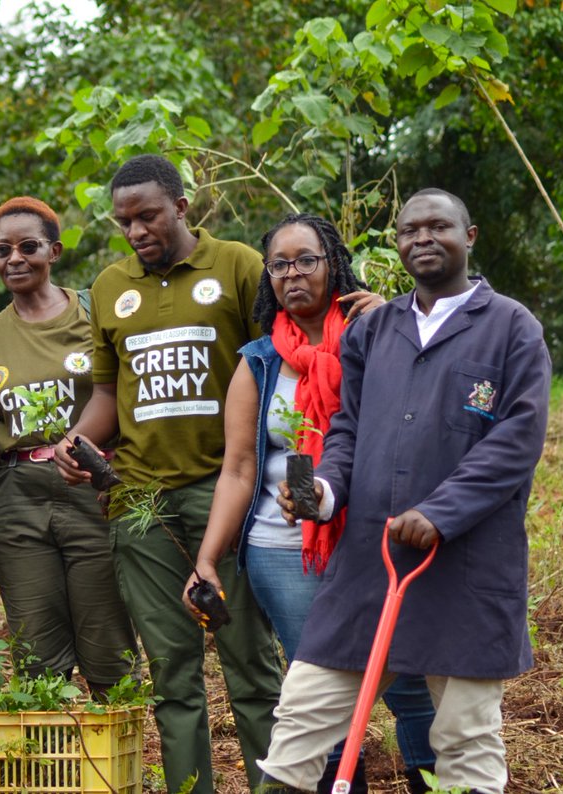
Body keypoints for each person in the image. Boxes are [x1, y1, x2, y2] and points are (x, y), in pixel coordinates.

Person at [257, 189, 551, 794]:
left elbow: (516, 443)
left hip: (464, 570)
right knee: (300, 722)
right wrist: (326, 492)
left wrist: (437, 514)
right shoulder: (376, 329)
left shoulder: (512, 329)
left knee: (466, 742)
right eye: (408, 230)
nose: (422, 239)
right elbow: (348, 428)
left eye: (438, 226)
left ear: (469, 237)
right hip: (370, 564)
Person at [180, 213, 436, 793]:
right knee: (320, 692)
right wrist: (207, 556)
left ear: (332, 264)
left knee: (409, 685)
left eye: (306, 260)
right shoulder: (259, 361)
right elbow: (240, 467)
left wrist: (397, 324)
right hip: (287, 549)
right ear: (267, 276)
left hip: (377, 540)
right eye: (279, 264)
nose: (292, 274)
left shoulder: (381, 335)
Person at [53, 153, 283, 792]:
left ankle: (275, 785)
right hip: (139, 500)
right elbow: (107, 395)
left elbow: (276, 369)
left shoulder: (238, 265)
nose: (135, 231)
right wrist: (75, 444)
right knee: (172, 675)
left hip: (226, 489)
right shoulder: (108, 286)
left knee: (251, 666)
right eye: (123, 221)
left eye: (147, 216)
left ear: (182, 207)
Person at [0, 197, 137, 691]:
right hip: (17, 497)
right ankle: (48, 761)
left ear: (53, 251)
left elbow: (128, 393)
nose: (14, 258)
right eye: (1, 250)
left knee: (107, 642)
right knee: (36, 647)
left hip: (92, 488)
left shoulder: (94, 312)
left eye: (28, 246)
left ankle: (115, 759)